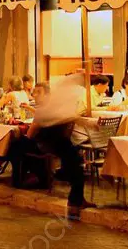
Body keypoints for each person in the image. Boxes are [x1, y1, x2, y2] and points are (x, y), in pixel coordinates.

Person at [26, 73, 93, 219]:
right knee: (76, 164)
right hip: (59, 145)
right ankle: (75, 201)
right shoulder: (50, 108)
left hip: (50, 146)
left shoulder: (46, 109)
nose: (34, 95)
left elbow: (30, 135)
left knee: (76, 164)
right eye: (34, 92)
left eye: (38, 92)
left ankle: (74, 200)